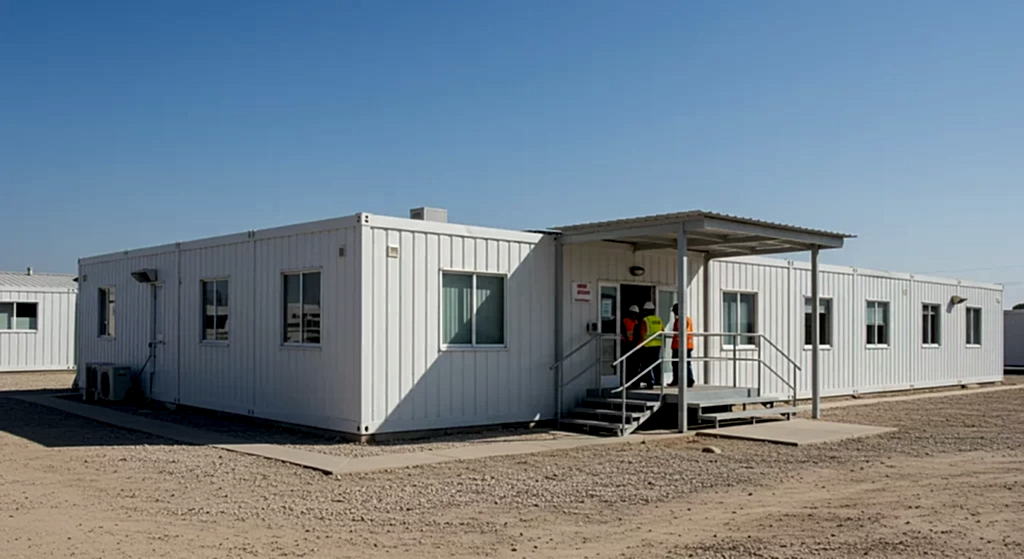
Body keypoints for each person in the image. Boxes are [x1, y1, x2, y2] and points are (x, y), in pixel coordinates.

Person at [668, 303, 695, 388]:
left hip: (682, 346)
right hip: (682, 345)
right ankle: (678, 380)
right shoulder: (686, 319)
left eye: (675, 311)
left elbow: (683, 332)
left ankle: (689, 380)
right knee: (680, 363)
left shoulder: (683, 320)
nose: (674, 313)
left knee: (683, 363)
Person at [637, 301, 664, 387]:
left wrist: (640, 344)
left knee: (647, 364)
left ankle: (650, 382)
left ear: (646, 311)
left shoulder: (646, 320)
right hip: (658, 345)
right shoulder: (659, 320)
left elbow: (642, 333)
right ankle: (658, 380)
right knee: (656, 363)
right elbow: (663, 331)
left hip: (648, 345)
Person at [620, 305, 640, 383]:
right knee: (628, 364)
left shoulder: (636, 321)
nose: (634, 315)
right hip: (627, 344)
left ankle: (634, 380)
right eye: (633, 313)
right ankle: (627, 380)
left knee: (635, 364)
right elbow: (623, 331)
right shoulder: (625, 320)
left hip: (635, 344)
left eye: (636, 314)